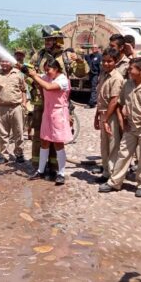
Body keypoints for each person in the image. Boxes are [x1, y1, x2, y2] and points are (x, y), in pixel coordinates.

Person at [29, 25, 88, 175]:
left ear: (57, 40)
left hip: (58, 104)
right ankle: (38, 165)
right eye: (45, 40)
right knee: (39, 135)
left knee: (57, 136)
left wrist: (80, 61)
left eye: (50, 39)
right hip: (40, 101)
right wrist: (33, 79)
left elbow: (82, 73)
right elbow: (29, 74)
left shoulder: (67, 57)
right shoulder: (38, 56)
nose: (47, 42)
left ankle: (55, 168)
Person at [99, 57, 141, 197]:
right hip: (131, 126)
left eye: (132, 68)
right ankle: (115, 182)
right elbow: (120, 103)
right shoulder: (128, 84)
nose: (129, 70)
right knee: (123, 154)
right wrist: (124, 121)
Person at [27, 59, 73, 185]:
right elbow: (35, 78)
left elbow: (48, 87)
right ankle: (40, 170)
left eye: (49, 70)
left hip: (59, 114)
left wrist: (35, 75)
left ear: (56, 69)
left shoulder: (63, 80)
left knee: (58, 143)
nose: (46, 72)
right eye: (45, 70)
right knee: (44, 141)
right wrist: (24, 68)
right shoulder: (47, 76)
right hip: (47, 113)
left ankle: (61, 173)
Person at [93, 47, 124, 181]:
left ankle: (113, 175)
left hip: (111, 116)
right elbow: (101, 98)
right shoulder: (103, 75)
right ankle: (106, 172)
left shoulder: (116, 78)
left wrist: (105, 119)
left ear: (115, 62)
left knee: (113, 145)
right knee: (104, 145)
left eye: (109, 61)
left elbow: (114, 100)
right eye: (104, 61)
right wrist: (96, 116)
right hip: (103, 114)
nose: (106, 64)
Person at [0, 58, 26, 163]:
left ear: (11, 62)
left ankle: (19, 154)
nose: (4, 63)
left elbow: (23, 89)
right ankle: (4, 155)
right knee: (3, 133)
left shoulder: (18, 74)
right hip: (1, 108)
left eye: (6, 61)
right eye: (2, 61)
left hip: (16, 107)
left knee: (18, 132)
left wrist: (24, 103)